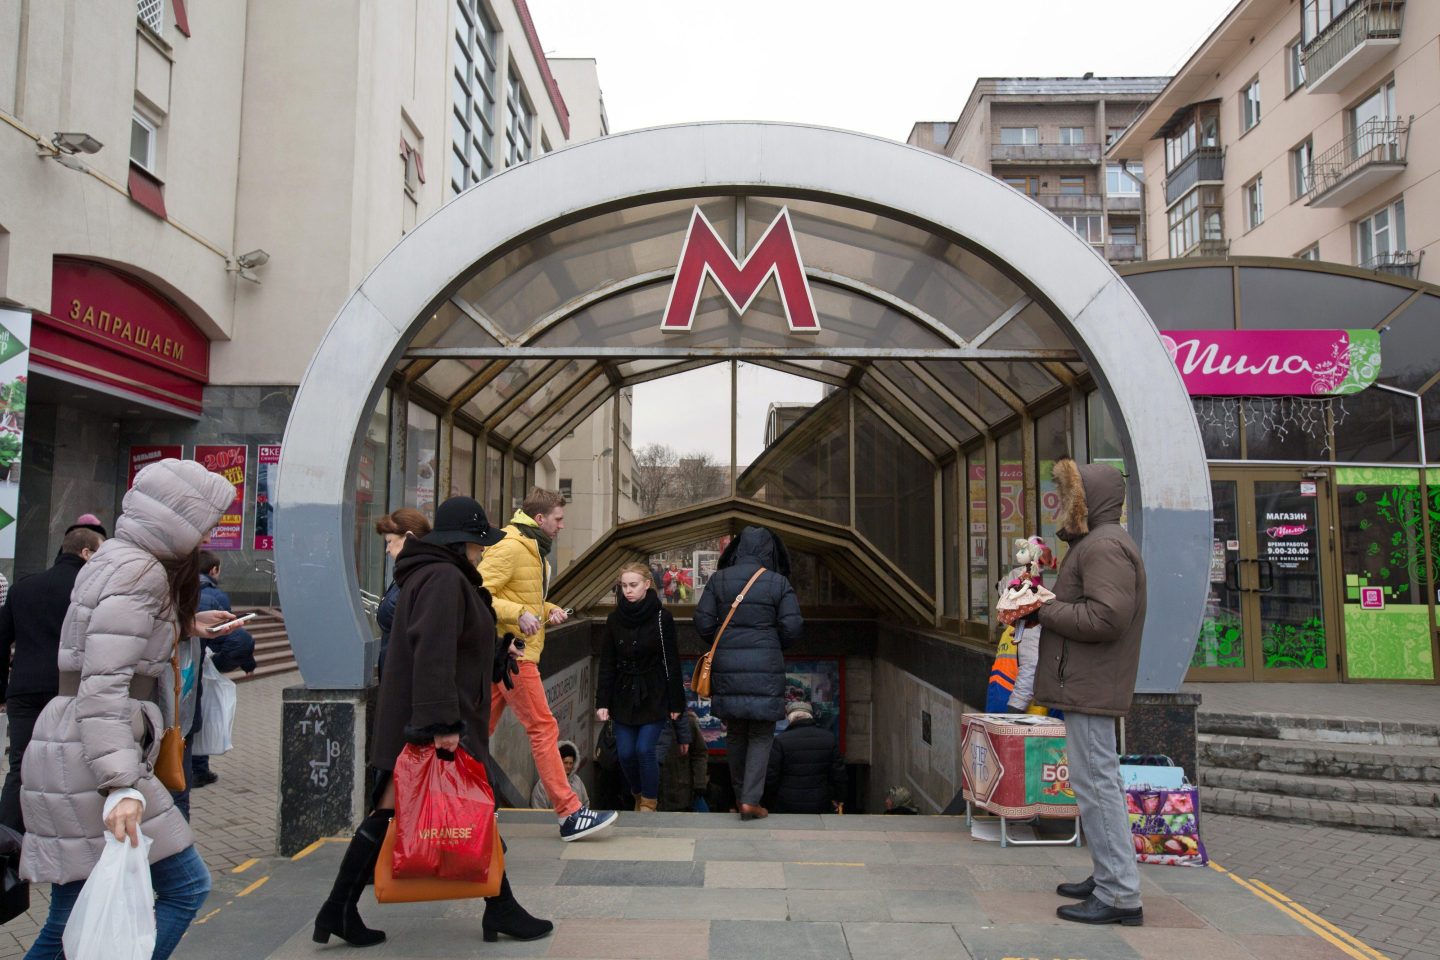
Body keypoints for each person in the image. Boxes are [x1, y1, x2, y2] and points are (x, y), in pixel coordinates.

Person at [19, 458, 246, 960]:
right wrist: (122, 784)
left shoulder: (115, 557)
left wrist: (186, 624)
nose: (211, 532)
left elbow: (105, 646)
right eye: (207, 521)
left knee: (68, 917)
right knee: (186, 888)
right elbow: (103, 684)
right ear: (178, 519)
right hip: (96, 753)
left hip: (72, 748)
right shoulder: (142, 571)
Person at [313, 496, 552, 947]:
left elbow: (458, 642)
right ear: (463, 542)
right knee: (467, 806)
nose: (483, 551)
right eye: (479, 544)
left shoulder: (438, 575)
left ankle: (339, 909)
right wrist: (442, 724)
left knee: (394, 810)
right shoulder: (444, 578)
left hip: (429, 715)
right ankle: (499, 908)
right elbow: (434, 653)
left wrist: (498, 654)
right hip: (440, 720)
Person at [1034, 457, 1147, 927]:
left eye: (1067, 496)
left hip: (1092, 684)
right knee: (1093, 784)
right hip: (1086, 682)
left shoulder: (1103, 547)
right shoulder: (1097, 544)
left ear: (1086, 500)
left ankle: (1120, 893)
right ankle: (1107, 878)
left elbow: (1106, 618)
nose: (1058, 505)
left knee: (1098, 787)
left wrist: (1045, 607)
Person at [482, 487, 615, 841]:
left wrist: (545, 607)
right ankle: (570, 813)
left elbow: (518, 597)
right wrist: (521, 612)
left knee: (475, 733)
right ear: (539, 519)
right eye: (558, 519)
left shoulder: (533, 549)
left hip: (506, 655)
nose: (562, 526)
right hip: (513, 656)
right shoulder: (511, 546)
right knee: (543, 729)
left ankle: (462, 805)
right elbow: (477, 596)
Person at [693, 525, 802, 821]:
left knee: (736, 733)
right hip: (766, 665)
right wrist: (771, 642)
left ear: (738, 550)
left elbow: (702, 623)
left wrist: (725, 641)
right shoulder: (778, 583)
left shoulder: (719, 579)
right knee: (762, 734)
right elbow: (792, 627)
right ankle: (750, 800)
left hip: (728, 666)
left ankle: (742, 797)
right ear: (768, 551)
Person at [0, 526, 104, 831]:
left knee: (20, 767)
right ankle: (57, 832)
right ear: (86, 553)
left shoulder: (23, 587)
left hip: (24, 690)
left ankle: (7, 844)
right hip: (70, 692)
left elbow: (2, 639)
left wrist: (2, 691)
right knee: (70, 767)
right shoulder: (89, 592)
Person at [595, 563, 683, 813]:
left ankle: (649, 802)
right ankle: (637, 792)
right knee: (625, 754)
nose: (628, 591)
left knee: (644, 749)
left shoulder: (661, 618)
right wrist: (602, 701)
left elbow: (671, 662)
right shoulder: (614, 619)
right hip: (623, 694)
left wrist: (676, 703)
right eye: (623, 586)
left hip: (653, 693)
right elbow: (607, 663)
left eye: (633, 585)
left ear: (647, 584)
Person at [189, 551, 258, 788]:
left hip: (175, 671)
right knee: (196, 715)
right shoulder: (214, 596)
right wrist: (220, 665)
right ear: (214, 570)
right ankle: (197, 771)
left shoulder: (178, 590)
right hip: (196, 667)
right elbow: (238, 640)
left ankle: (179, 771)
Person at [373, 508, 432, 676]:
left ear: (407, 538)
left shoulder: (417, 575)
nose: (387, 549)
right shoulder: (407, 572)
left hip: (406, 678)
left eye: (390, 541)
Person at [764, 701, 845, 814]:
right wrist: (839, 797)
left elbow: (771, 776)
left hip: (786, 803)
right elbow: (838, 774)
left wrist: (767, 802)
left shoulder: (780, 740)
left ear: (789, 717)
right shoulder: (829, 738)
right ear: (811, 716)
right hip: (820, 802)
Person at [657, 710, 709, 812]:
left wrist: (700, 782)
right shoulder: (645, 722)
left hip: (682, 793)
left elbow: (699, 754)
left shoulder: (688, 721)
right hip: (656, 796)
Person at [530, 741, 589, 810]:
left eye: (571, 763)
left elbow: (585, 803)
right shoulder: (543, 785)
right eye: (565, 763)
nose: (568, 766)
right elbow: (538, 811)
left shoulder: (577, 781)